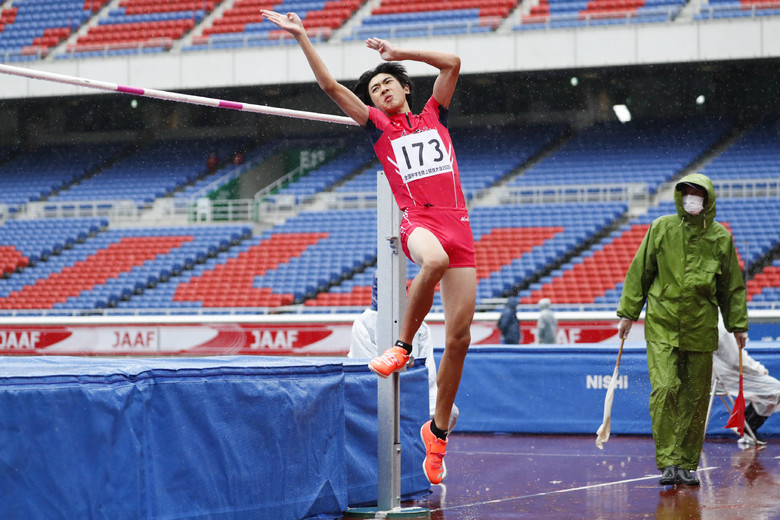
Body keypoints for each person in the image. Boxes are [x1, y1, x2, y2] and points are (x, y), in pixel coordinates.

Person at [261, 10, 476, 486]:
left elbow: (453, 62)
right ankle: (401, 346)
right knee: (433, 261)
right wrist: (302, 37)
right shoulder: (381, 127)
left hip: (459, 226)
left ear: (405, 88)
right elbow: (331, 89)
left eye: (387, 84)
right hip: (418, 222)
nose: (381, 91)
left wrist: (399, 54)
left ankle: (437, 434)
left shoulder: (434, 115)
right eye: (375, 89)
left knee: (460, 338)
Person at [616, 172, 748, 487]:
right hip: (661, 324)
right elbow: (641, 271)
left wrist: (738, 325)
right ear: (679, 196)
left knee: (695, 397)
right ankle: (669, 461)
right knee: (664, 389)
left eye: (697, 194)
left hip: (701, 328)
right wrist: (627, 313)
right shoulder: (661, 228)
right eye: (686, 192)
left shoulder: (721, 238)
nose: (691, 198)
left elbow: (731, 287)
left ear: (708, 199)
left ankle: (686, 464)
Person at [349, 272, 459, 431]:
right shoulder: (363, 323)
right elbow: (366, 371)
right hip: (375, 395)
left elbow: (428, 372)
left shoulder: (419, 325)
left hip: (413, 390)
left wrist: (409, 389)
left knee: (449, 411)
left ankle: (428, 450)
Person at [714, 314, 779, 446]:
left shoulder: (717, 320)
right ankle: (745, 425)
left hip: (718, 374)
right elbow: (736, 360)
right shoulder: (721, 325)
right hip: (726, 376)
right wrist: (759, 369)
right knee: (777, 390)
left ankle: (745, 424)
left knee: (768, 391)